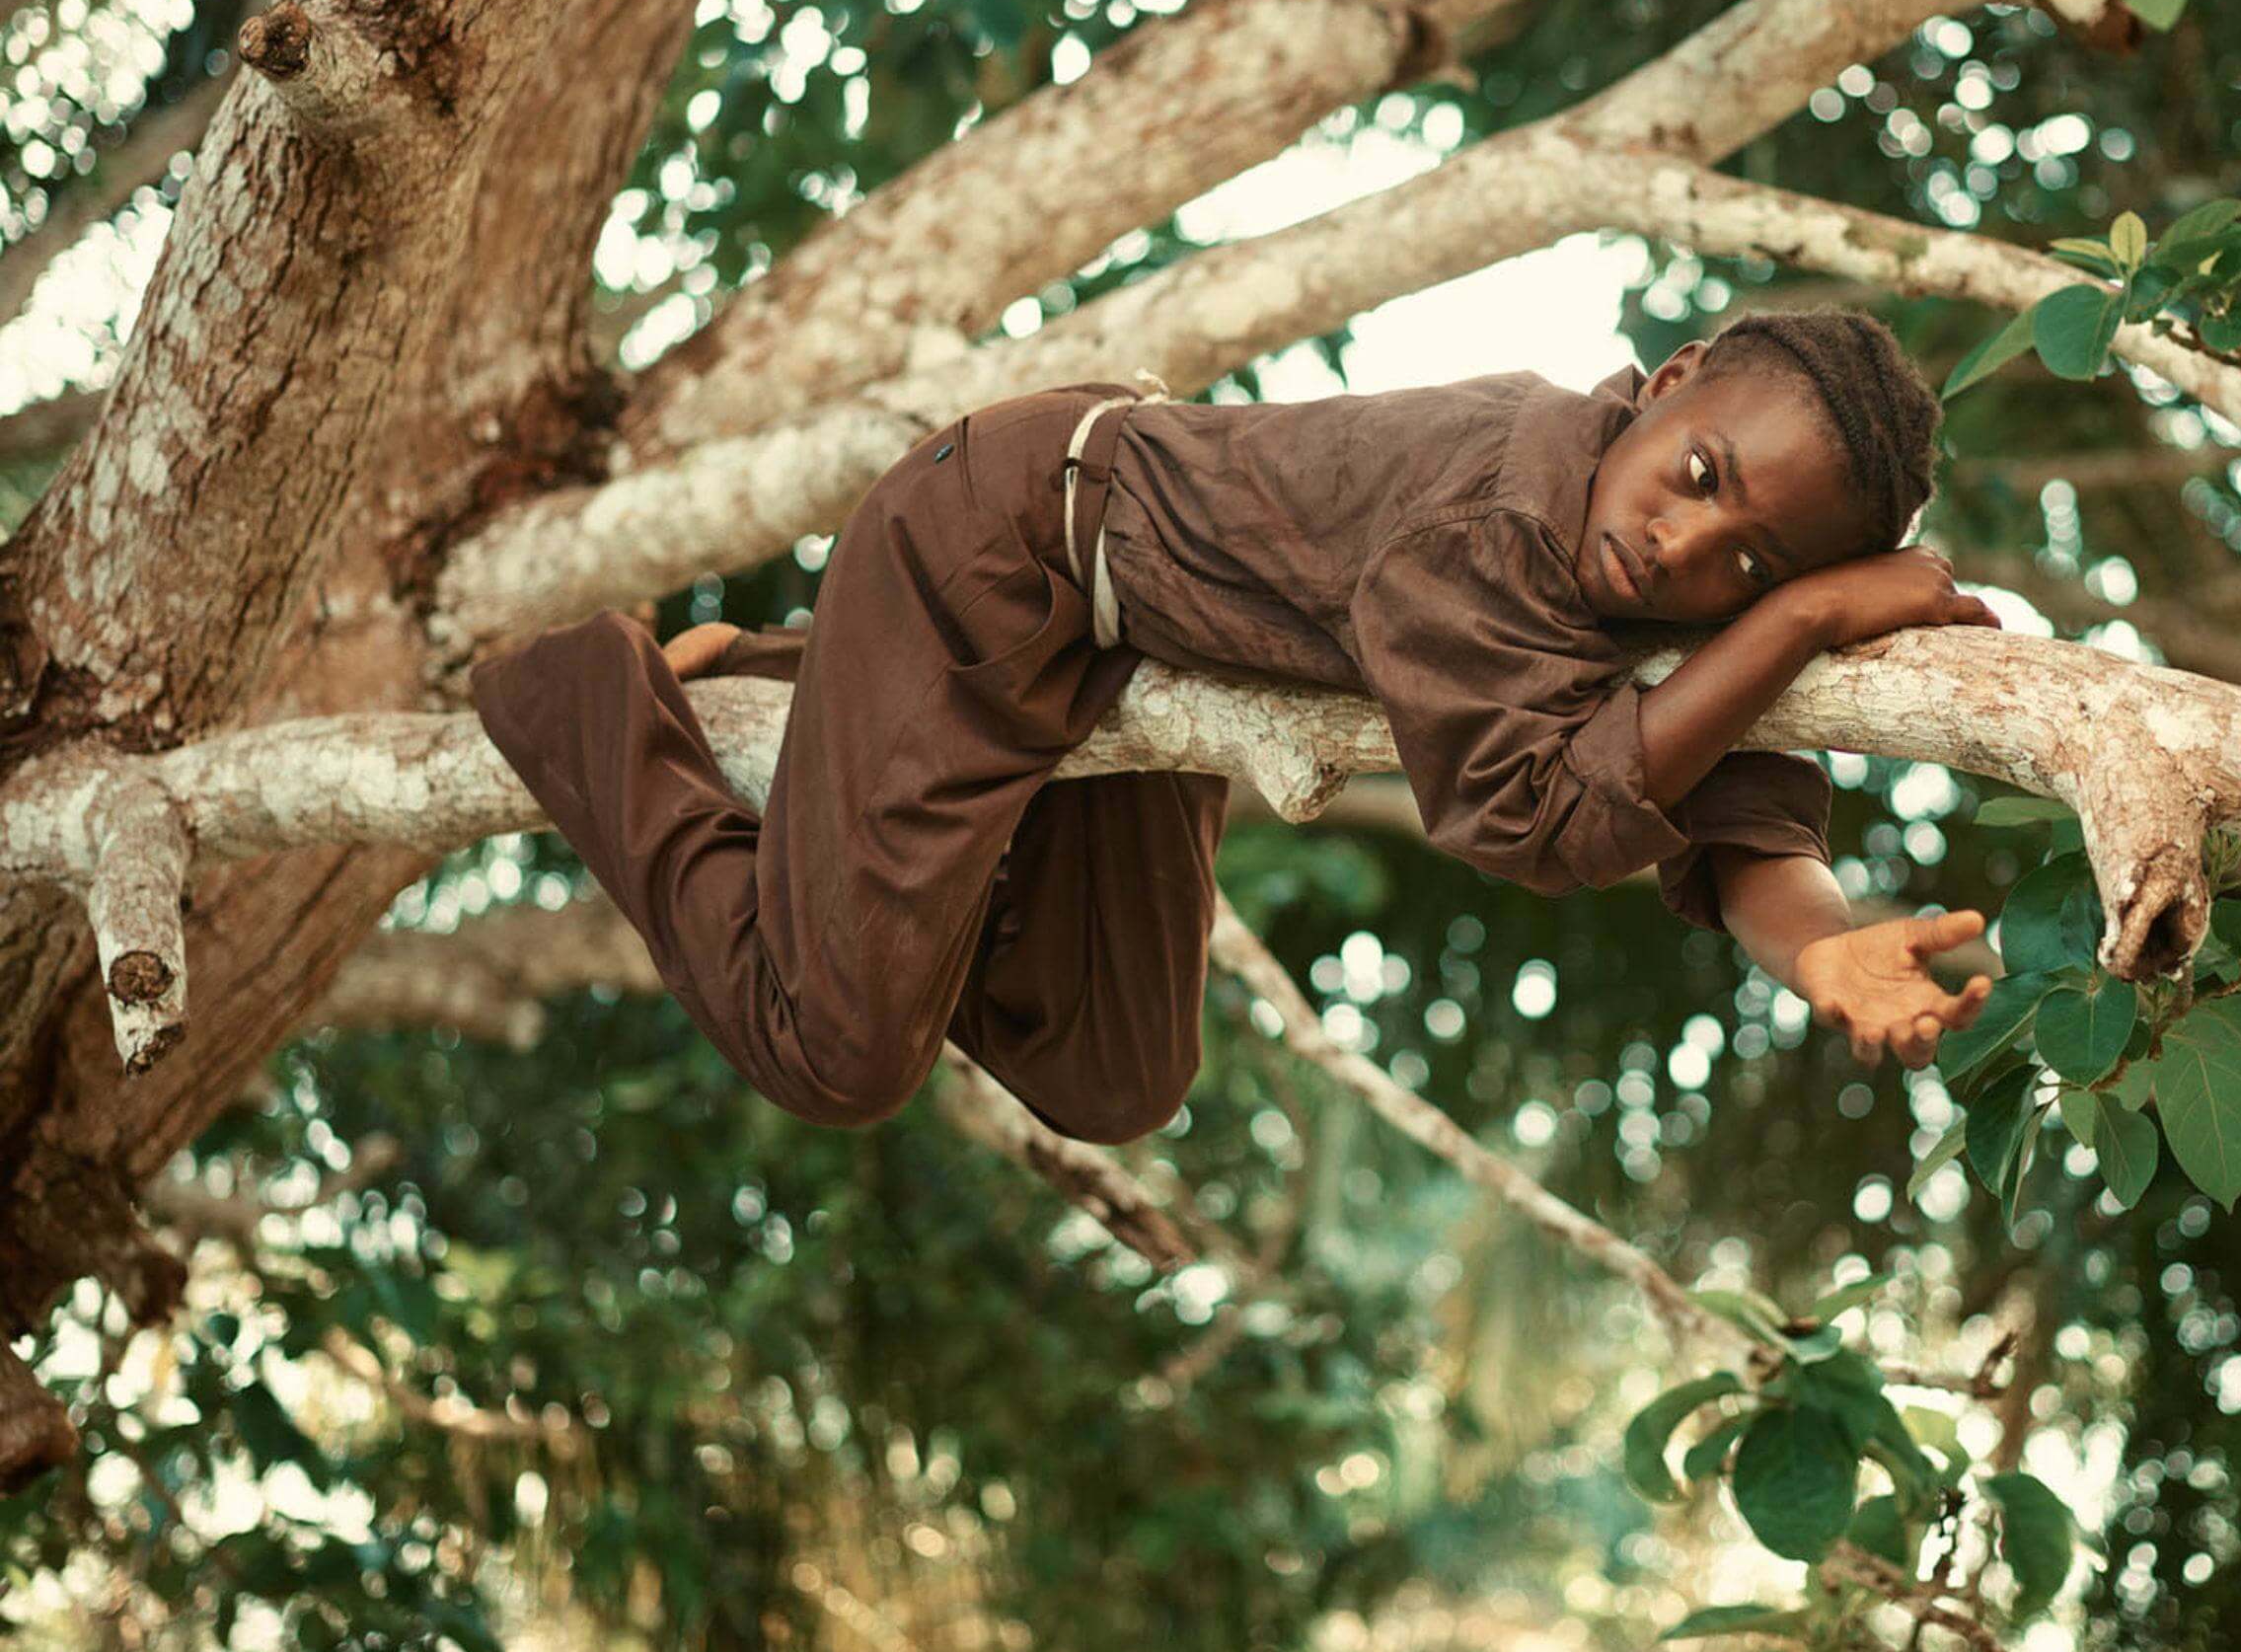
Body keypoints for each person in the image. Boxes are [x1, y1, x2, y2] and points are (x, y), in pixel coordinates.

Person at [468, 307, 2002, 1141]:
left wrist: (1818, 941)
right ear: (1664, 386)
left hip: (1143, 658)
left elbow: (1740, 811)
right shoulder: (1506, 510)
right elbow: (1525, 816)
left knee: (1114, 1081)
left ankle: (814, 687)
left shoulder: (1674, 601)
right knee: (840, 1049)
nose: (1688, 548)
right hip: (1001, 548)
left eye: (1754, 563)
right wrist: (1801, 616)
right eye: (1702, 476)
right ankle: (588, 693)